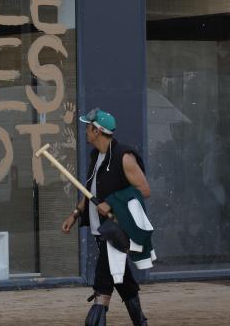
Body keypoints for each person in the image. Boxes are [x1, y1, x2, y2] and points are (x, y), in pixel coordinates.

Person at [61, 108, 151, 326]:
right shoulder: (96, 155)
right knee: (122, 280)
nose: (85, 130)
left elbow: (144, 190)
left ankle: (96, 317)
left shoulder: (124, 157)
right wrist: (76, 213)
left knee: (103, 282)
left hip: (116, 230)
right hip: (99, 230)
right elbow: (90, 191)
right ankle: (141, 322)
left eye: (87, 126)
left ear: (96, 130)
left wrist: (111, 202)